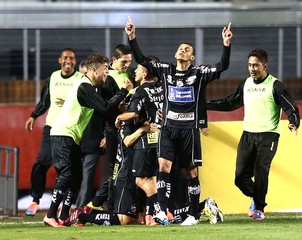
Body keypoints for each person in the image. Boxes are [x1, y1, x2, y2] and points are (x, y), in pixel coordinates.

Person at [125, 16, 233, 226]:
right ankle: (163, 212)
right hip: (168, 128)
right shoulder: (165, 70)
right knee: (163, 166)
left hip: (189, 130)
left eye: (187, 49)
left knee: (191, 172)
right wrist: (132, 38)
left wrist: (226, 44)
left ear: (192, 57)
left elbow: (222, 66)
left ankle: (193, 214)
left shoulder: (199, 73)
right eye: (180, 48)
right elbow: (143, 60)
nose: (182, 50)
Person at [206, 48, 300, 220]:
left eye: (255, 65)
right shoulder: (246, 84)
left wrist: (294, 121)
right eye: (249, 65)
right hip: (248, 135)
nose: (252, 68)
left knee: (260, 170)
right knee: (240, 177)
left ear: (265, 65)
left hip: (268, 135)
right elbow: (230, 103)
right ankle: (256, 199)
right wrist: (205, 105)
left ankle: (259, 208)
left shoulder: (275, 85)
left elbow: (290, 106)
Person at [43, 53, 133, 227]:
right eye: (104, 69)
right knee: (68, 173)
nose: (107, 73)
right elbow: (105, 108)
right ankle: (50, 214)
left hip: (73, 136)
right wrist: (123, 92)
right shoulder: (84, 87)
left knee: (75, 178)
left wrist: (118, 106)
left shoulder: (91, 87)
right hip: (63, 133)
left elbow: (103, 111)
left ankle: (63, 216)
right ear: (94, 69)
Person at [64, 120, 158, 227]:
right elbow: (127, 141)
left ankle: (89, 213)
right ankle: (82, 216)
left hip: (135, 173)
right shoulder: (127, 124)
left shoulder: (134, 123)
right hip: (125, 175)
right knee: (123, 220)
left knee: (134, 219)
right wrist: (142, 130)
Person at [25, 48, 83, 216]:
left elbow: (84, 99)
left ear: (75, 61)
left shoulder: (80, 79)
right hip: (52, 128)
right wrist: (34, 116)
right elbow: (45, 100)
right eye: (65, 58)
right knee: (41, 163)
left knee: (67, 170)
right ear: (60, 60)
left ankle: (65, 205)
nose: (68, 61)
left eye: (72, 58)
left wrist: (68, 102)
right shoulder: (53, 78)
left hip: (70, 130)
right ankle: (35, 200)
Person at [115, 57, 164, 225]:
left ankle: (159, 212)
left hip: (144, 142)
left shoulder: (140, 91)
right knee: (152, 179)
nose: (135, 71)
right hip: (160, 140)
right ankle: (153, 216)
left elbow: (134, 113)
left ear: (144, 73)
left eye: (138, 68)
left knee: (140, 180)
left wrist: (120, 116)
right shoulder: (161, 88)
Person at [94, 44, 134, 211]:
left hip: (129, 128)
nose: (127, 65)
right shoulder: (106, 77)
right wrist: (104, 134)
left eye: (129, 61)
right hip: (112, 129)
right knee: (114, 168)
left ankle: (103, 202)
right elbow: (105, 108)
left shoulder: (130, 74)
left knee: (125, 167)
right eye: (124, 62)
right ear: (114, 60)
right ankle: (107, 205)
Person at [75, 59, 109, 209]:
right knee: (72, 176)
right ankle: (67, 207)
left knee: (87, 178)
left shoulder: (101, 88)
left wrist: (105, 135)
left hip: (92, 139)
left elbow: (106, 111)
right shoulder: (80, 87)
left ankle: (79, 210)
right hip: (76, 138)